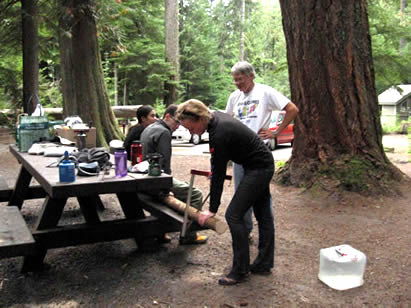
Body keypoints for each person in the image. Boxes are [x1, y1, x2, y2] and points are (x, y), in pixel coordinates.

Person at [176, 99, 274, 286]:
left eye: (190, 128)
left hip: (259, 167)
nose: (190, 132)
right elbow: (217, 169)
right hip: (258, 164)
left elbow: (219, 173)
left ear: (199, 118)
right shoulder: (215, 121)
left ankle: (240, 270)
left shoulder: (219, 132)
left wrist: (212, 209)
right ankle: (263, 263)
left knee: (234, 215)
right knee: (262, 214)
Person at [225, 61, 299, 238]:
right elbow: (227, 120)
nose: (237, 84)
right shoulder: (234, 97)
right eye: (234, 80)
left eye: (240, 79)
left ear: (251, 76)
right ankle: (246, 231)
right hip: (239, 154)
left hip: (258, 154)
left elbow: (292, 109)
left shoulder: (265, 92)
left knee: (260, 195)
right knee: (240, 194)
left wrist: (275, 132)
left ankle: (265, 233)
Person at [140, 104, 208, 245]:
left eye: (181, 123)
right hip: (155, 179)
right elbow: (165, 164)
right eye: (177, 122)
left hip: (145, 176)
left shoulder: (149, 128)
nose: (178, 126)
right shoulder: (164, 132)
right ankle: (188, 235)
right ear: (167, 117)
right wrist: (166, 189)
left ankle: (160, 232)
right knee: (195, 194)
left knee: (182, 188)